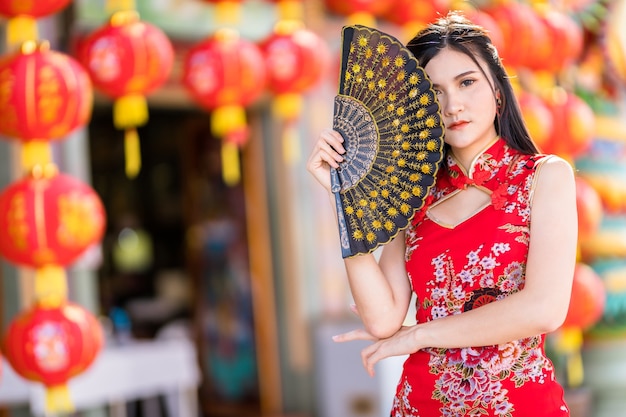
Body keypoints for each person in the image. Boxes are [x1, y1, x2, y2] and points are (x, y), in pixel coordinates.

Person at [306, 11, 578, 416]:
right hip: (421, 404)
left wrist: (418, 336)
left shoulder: (544, 177)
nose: (452, 105)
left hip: (519, 405)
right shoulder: (415, 196)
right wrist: (345, 202)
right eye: (434, 92)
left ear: (498, 91)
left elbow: (543, 309)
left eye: (466, 82)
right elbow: (383, 320)